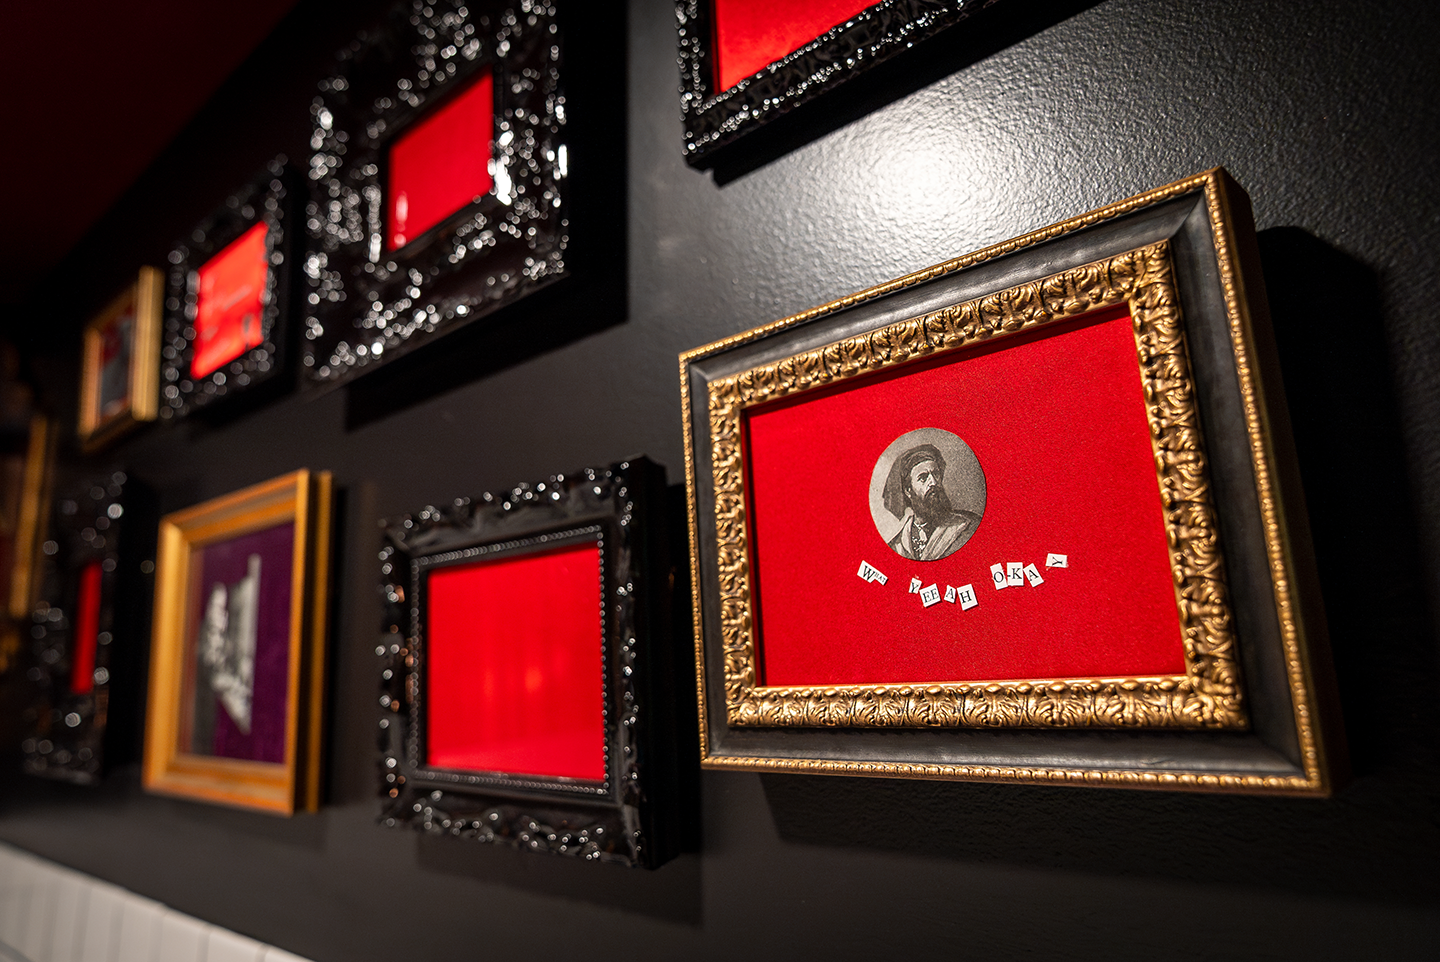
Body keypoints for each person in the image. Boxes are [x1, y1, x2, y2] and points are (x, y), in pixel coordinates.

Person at [882, 443, 980, 561]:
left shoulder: (970, 527)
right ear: (908, 491)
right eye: (923, 478)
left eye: (936, 474)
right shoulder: (897, 546)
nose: (933, 482)